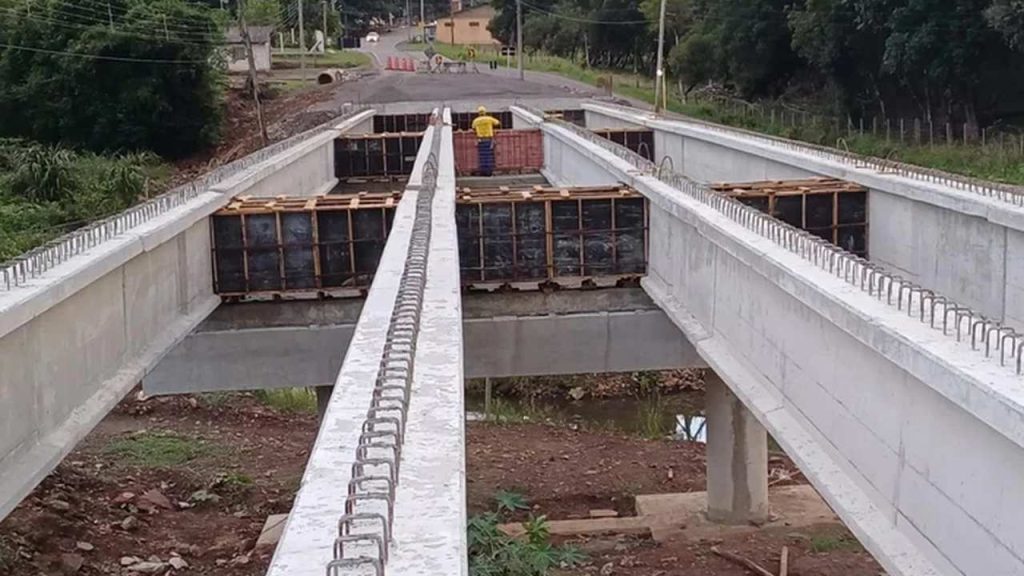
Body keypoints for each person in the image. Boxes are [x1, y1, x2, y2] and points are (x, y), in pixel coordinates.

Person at [471, 106, 501, 176]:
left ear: (478, 113)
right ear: (485, 112)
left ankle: (483, 171)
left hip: (480, 140)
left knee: (482, 156)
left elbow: (473, 127)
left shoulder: (476, 121)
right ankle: (489, 171)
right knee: (489, 156)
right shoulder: (489, 119)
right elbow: (497, 123)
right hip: (489, 140)